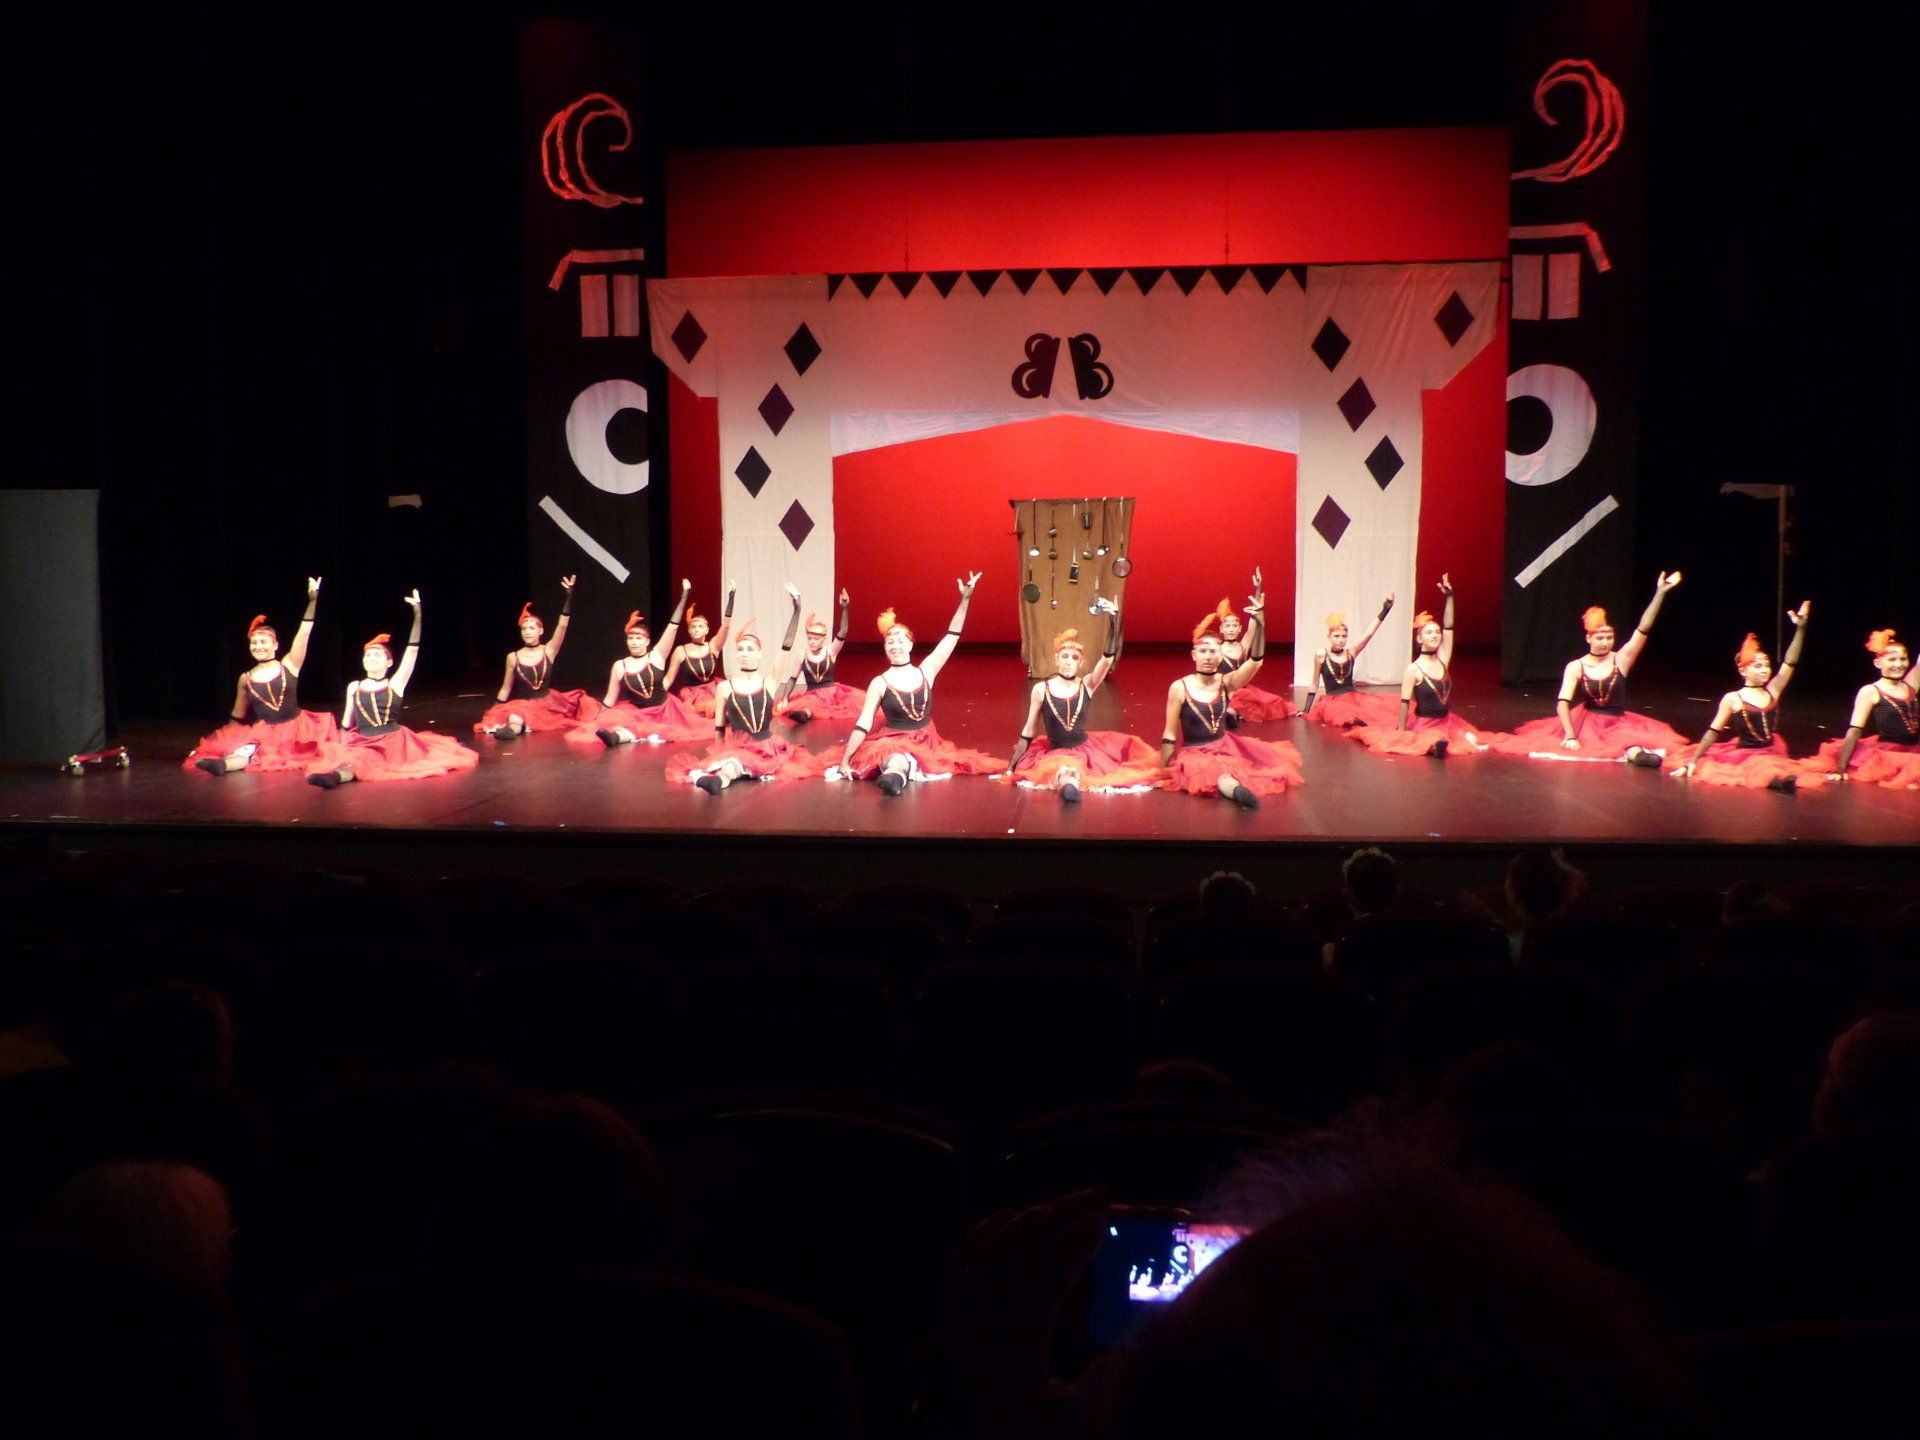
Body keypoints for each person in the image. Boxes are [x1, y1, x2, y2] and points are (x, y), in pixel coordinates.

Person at [1487, 572, 1689, 766]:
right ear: (1589, 638)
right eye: (1600, 638)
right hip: (1588, 724)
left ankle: (1636, 754)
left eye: (1609, 638)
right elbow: (1562, 703)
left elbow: (1643, 628)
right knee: (1595, 745)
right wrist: (1570, 734)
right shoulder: (1576, 666)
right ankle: (1634, 754)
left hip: (1617, 722)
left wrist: (1660, 593)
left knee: (1629, 743)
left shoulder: (1621, 659)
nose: (1605, 642)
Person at [838, 575, 1006, 795]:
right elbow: (864, 723)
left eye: (900, 641)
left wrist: (965, 599)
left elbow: (952, 636)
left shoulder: (926, 671)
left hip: (926, 739)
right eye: (890, 642)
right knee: (896, 757)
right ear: (885, 647)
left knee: (907, 757)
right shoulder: (880, 682)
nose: (895, 646)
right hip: (893, 739)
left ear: (910, 644)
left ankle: (896, 776)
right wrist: (846, 759)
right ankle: (894, 777)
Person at [307, 592, 478, 787]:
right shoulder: (354, 687)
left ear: (389, 662)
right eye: (368, 655)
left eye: (377, 655)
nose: (371, 658)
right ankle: (337, 773)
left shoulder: (395, 684)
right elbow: (347, 721)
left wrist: (418, 615)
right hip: (362, 739)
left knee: (364, 760)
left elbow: (412, 650)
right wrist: (342, 743)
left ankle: (335, 778)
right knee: (357, 757)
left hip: (392, 742)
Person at [1160, 578, 1304, 808]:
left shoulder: (1226, 683)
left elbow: (1256, 661)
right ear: (1194, 655)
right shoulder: (1180, 687)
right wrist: (1164, 769)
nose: (1208, 656)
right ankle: (1235, 791)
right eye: (1203, 651)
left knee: (1234, 769)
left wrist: (1261, 620)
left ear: (1219, 655)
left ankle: (1235, 786)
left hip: (1225, 745)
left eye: (1213, 651)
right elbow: (1169, 734)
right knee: (1219, 776)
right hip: (1195, 752)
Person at [1003, 597, 1160, 802]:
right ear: (1056, 659)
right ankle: (1067, 785)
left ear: (1081, 662)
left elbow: (1107, 659)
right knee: (1065, 771)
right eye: (1065, 656)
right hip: (1055, 751)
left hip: (1086, 750)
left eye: (1074, 658)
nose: (1069, 662)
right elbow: (1029, 731)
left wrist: (1113, 620)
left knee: (1074, 772)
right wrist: (1011, 767)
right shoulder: (1042, 689)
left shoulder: (1087, 685)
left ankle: (1070, 785)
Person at [665, 597, 827, 794]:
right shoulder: (725, 688)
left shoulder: (768, 682)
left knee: (738, 764)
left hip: (766, 746)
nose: (744, 653)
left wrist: (797, 611)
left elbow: (786, 646)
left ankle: (724, 777)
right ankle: (721, 779)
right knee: (733, 762)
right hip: (738, 747)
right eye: (740, 650)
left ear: (759, 654)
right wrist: (719, 754)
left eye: (750, 650)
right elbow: (719, 730)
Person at [185, 577, 339, 774]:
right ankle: (222, 765)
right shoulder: (246, 678)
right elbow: (237, 716)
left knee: (297, 754)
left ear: (275, 645)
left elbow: (304, 634)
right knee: (248, 751)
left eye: (263, 642)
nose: (258, 646)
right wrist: (224, 744)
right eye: (254, 643)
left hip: (297, 730)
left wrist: (312, 601)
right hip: (266, 732)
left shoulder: (289, 665)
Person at [1346, 574, 1497, 758]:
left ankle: (1438, 744)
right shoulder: (1414, 669)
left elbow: (1449, 626)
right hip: (1424, 724)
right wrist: (1400, 733)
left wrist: (1449, 597)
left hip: (1446, 722)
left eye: (1436, 632)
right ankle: (1433, 746)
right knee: (1432, 739)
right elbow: (1404, 703)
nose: (1435, 636)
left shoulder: (1443, 657)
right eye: (1429, 633)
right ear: (1420, 638)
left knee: (1466, 739)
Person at [1673, 603, 1810, 792]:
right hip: (1747, 755)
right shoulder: (1733, 698)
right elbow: (1713, 731)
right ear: (1743, 670)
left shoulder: (1773, 690)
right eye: (1758, 666)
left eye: (1766, 665)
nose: (1765, 670)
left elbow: (1790, 662)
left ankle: (1780, 780)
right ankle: (1778, 783)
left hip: (1772, 750)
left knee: (1772, 766)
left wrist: (1800, 629)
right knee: (1764, 769)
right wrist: (1694, 761)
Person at [567, 580, 712, 747]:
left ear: (647, 641)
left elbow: (673, 627)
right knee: (623, 723)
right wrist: (598, 720)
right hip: (637, 712)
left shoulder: (657, 656)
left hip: (664, 711)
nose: (634, 642)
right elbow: (610, 696)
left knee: (671, 728)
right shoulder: (620, 665)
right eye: (631, 638)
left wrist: (684, 595)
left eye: (638, 638)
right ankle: (616, 737)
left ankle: (621, 736)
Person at [476, 578, 600, 739]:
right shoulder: (513, 657)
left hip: (548, 703)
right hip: (525, 704)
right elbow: (506, 688)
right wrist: (495, 709)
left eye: (532, 628)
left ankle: (514, 729)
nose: (527, 632)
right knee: (516, 714)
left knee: (523, 714)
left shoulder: (548, 651)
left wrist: (569, 597)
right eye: (524, 629)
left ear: (540, 631)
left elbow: (562, 626)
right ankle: (511, 731)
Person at [1809, 629, 1920, 789]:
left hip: (1915, 749)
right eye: (1892, 660)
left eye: (1903, 659)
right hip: (1890, 754)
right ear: (1878, 663)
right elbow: (1855, 730)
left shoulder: (1910, 685)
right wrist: (1841, 768)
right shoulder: (1871, 691)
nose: (1898, 664)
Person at [1303, 594, 1396, 727]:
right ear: (1329, 637)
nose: (1341, 639)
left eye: (1344, 636)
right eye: (1336, 636)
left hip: (1352, 698)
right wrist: (1306, 710)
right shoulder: (1321, 654)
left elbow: (1369, 633)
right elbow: (1314, 682)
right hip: (1332, 700)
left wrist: (1385, 610)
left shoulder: (1351, 653)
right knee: (1343, 714)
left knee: (1376, 711)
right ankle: (1351, 719)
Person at [1214, 578, 1298, 722]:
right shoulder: (1217, 650)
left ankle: (1235, 712)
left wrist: (1258, 589)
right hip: (1227, 690)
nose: (1231, 629)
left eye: (1235, 626)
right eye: (1228, 626)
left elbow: (1255, 619)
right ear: (1221, 629)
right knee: (1234, 702)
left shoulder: (1243, 646)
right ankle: (1231, 712)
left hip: (1244, 690)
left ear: (1240, 628)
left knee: (1276, 702)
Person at [777, 588, 863, 722]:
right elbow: (793, 678)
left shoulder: (830, 651)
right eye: (809, 638)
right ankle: (804, 714)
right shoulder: (802, 655)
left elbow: (843, 632)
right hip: (812, 694)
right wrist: (785, 698)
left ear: (824, 638)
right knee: (810, 705)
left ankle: (805, 713)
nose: (812, 641)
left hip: (832, 694)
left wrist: (845, 608)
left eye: (816, 638)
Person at [669, 585, 734, 716]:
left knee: (725, 711)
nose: (697, 629)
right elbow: (669, 678)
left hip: (713, 690)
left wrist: (732, 597)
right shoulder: (681, 651)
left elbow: (726, 625)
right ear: (689, 631)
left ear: (707, 630)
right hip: (691, 696)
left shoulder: (713, 647)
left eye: (700, 626)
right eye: (693, 627)